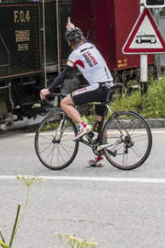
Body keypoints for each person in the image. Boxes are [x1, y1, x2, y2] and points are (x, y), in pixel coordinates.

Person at [40, 24, 115, 167]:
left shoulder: (75, 54)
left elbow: (64, 74)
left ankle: (81, 125)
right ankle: (99, 158)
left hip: (98, 87)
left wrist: (48, 90)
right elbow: (84, 42)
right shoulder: (91, 47)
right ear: (81, 38)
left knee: (65, 103)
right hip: (109, 86)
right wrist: (75, 28)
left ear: (69, 43)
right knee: (100, 124)